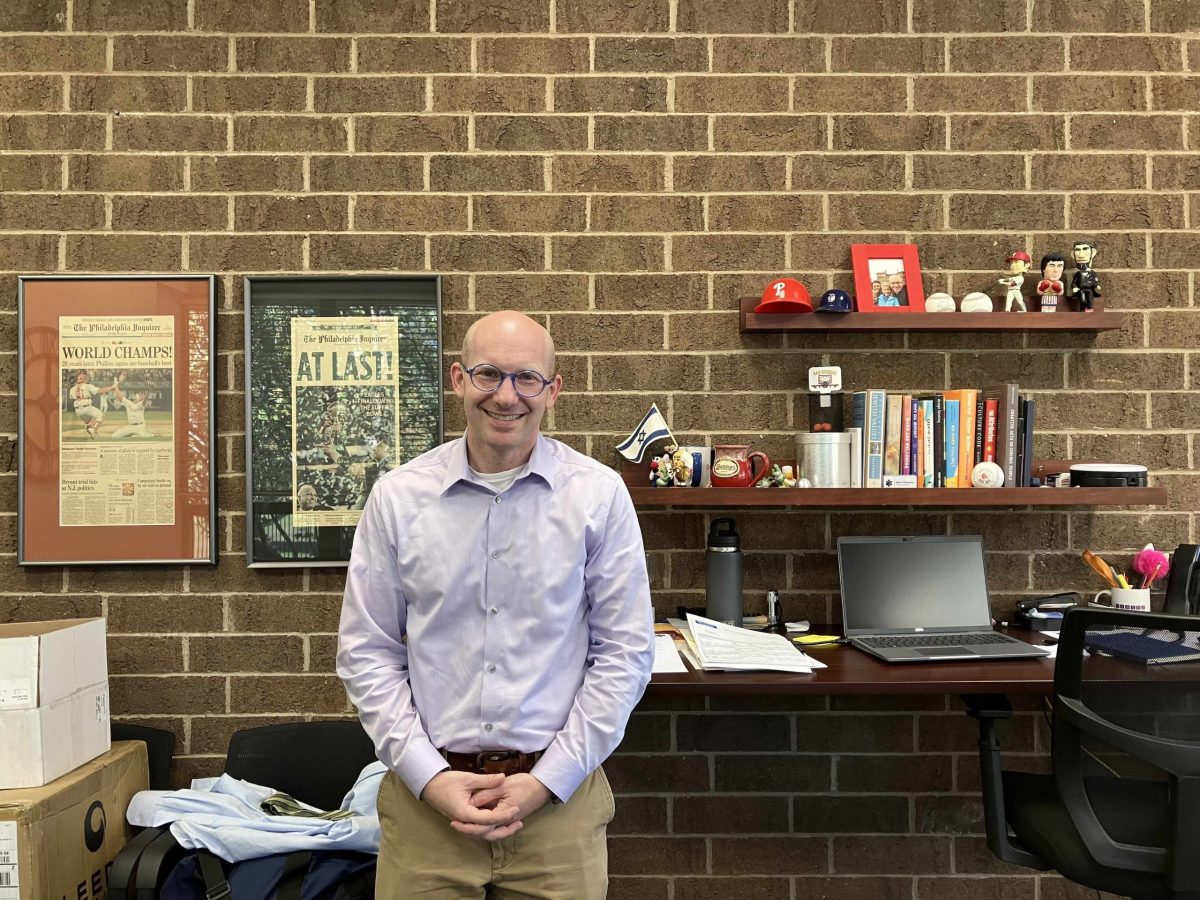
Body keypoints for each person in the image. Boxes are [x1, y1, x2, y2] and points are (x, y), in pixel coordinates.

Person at [337, 310, 654, 899]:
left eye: (527, 378)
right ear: (459, 379)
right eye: (488, 374)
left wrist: (547, 780)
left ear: (553, 391)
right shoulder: (399, 499)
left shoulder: (597, 497)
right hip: (428, 815)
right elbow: (367, 653)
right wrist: (430, 778)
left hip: (557, 810)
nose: (506, 396)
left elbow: (625, 654)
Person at [67, 370, 116, 439]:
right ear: (84, 380)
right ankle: (93, 430)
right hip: (86, 407)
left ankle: (91, 431)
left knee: (88, 423)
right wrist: (112, 387)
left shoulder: (72, 389)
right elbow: (101, 390)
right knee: (100, 416)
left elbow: (71, 398)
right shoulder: (87, 386)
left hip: (77, 410)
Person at [1069, 240, 1101, 312]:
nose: (1081, 255)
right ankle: (1083, 309)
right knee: (1082, 300)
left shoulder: (1092, 273)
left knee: (1090, 300)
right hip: (1081, 291)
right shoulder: (1078, 274)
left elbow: (1095, 280)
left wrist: (1097, 285)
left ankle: (1089, 309)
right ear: (1073, 254)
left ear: (1093, 252)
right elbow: (1074, 282)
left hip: (1090, 291)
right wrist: (1075, 287)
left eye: (1085, 249)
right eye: (1077, 250)